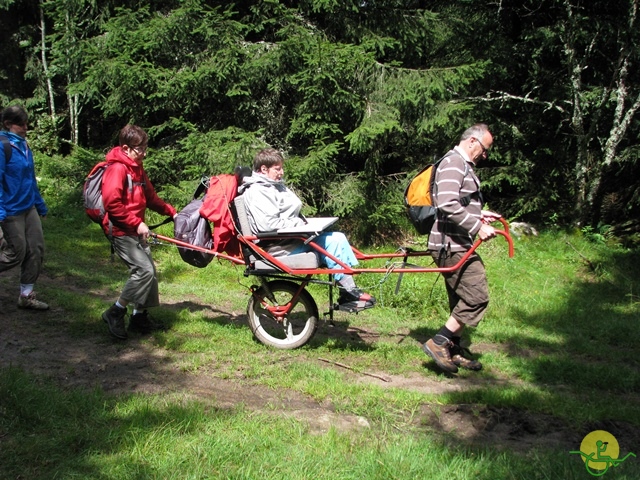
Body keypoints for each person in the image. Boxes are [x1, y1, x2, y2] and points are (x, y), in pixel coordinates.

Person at [239, 148, 375, 308]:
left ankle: (348, 291)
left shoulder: (273, 186)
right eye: (277, 169)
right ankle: (348, 292)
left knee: (337, 238)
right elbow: (267, 225)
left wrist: (306, 225)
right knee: (332, 243)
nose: (282, 172)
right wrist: (299, 226)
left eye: (281, 168)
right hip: (277, 247)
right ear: (263, 169)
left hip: (290, 239)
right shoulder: (257, 191)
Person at [422, 123, 502, 373]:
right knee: (477, 297)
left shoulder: (461, 164)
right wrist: (476, 225)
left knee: (460, 298)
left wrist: (479, 213)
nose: (485, 155)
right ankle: (439, 342)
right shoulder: (454, 163)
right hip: (450, 245)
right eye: (484, 149)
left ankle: (453, 349)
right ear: (472, 142)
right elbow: (446, 202)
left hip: (455, 243)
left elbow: (458, 201)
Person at [100, 124, 177, 339]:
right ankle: (115, 311)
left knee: (150, 272)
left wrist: (172, 212)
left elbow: (150, 197)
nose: (144, 153)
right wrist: (136, 224)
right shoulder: (117, 169)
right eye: (139, 148)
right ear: (125, 148)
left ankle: (139, 317)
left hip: (136, 229)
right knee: (144, 271)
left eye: (145, 148)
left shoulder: (138, 168)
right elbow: (112, 204)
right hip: (121, 231)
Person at [0, 105, 49, 310]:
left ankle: (26, 295)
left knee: (36, 249)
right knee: (16, 252)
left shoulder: (24, 146)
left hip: (28, 207)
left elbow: (29, 178)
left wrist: (39, 203)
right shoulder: (3, 146)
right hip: (10, 210)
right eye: (21, 124)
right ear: (8, 124)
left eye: (26, 123)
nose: (25, 127)